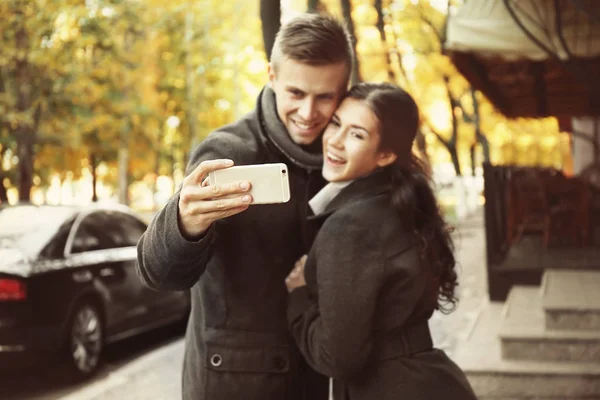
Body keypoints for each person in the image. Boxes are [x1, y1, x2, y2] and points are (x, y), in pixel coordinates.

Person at [136, 13, 354, 400]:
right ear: (272, 76)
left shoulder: (346, 156)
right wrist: (183, 223)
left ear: (345, 88)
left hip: (316, 381)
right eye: (296, 94)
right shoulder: (226, 152)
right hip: (233, 385)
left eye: (325, 96)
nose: (308, 114)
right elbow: (158, 274)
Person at [285, 82, 478, 400]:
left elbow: (340, 357)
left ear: (386, 154)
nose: (335, 141)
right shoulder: (396, 203)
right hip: (428, 381)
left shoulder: (350, 225)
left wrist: (298, 297)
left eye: (356, 134)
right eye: (336, 124)